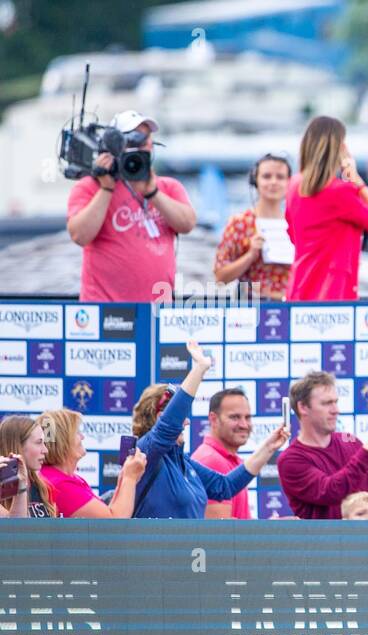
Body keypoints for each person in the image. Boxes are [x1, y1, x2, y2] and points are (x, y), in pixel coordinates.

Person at [131, 342, 288, 519]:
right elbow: (168, 427)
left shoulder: (183, 462)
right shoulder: (144, 453)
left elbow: (225, 486)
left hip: (189, 548)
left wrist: (269, 447)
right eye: (183, 417)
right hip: (155, 546)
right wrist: (200, 369)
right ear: (160, 417)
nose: (187, 422)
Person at [66, 110, 197, 302]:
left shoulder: (168, 186)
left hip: (157, 309)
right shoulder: (89, 187)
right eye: (133, 139)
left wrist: (153, 193)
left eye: (146, 139)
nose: (142, 145)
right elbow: (79, 236)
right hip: (105, 310)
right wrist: (106, 189)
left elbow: (187, 224)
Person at [277, 370, 368, 519]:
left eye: (336, 402)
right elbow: (332, 491)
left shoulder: (350, 441)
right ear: (303, 407)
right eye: (327, 403)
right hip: (326, 542)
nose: (336, 410)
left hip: (366, 541)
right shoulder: (291, 460)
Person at [285, 116, 368, 300]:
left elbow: (294, 236)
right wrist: (357, 181)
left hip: (300, 286)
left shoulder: (294, 186)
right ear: (339, 149)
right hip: (332, 292)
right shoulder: (339, 192)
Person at [213, 152, 293, 300]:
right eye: (267, 176)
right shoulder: (240, 223)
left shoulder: (297, 222)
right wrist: (250, 256)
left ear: (289, 182)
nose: (273, 182)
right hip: (252, 309)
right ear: (255, 180)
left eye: (280, 177)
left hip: (291, 307)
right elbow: (220, 277)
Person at [39, 408, 147, 518]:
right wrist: (130, 478)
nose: (82, 437)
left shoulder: (58, 478)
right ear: (63, 440)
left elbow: (108, 512)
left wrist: (125, 478)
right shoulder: (60, 485)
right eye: (77, 432)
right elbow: (115, 524)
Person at [191, 387, 256, 519]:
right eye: (235, 417)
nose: (244, 425)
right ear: (213, 419)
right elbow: (220, 534)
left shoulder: (226, 459)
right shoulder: (211, 461)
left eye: (247, 417)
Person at [0, 416, 58, 517]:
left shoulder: (42, 487)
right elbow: (15, 530)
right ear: (18, 446)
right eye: (39, 442)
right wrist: (21, 487)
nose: (45, 450)